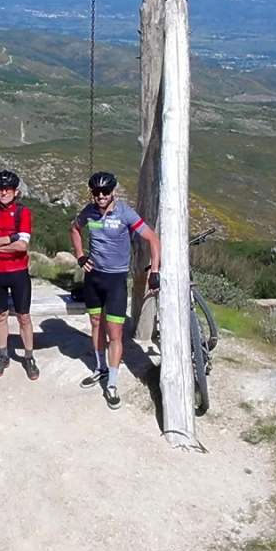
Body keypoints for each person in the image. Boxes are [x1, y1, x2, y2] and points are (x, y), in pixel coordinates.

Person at [69, 170, 160, 409]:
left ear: (113, 192)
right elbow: (75, 229)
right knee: (96, 324)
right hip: (93, 278)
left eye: (105, 192)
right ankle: (100, 368)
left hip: (116, 281)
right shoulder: (88, 212)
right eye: (96, 192)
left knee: (115, 334)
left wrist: (155, 269)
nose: (100, 196)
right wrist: (80, 256)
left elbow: (152, 238)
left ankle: (112, 383)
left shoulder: (125, 213)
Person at [0, 169, 38, 381]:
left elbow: (21, 247)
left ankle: (29, 357)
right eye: (0, 189)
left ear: (16, 192)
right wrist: (7, 239)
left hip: (18, 272)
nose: (3, 193)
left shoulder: (23, 213)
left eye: (8, 189)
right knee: (0, 316)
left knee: (24, 316)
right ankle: (3, 355)